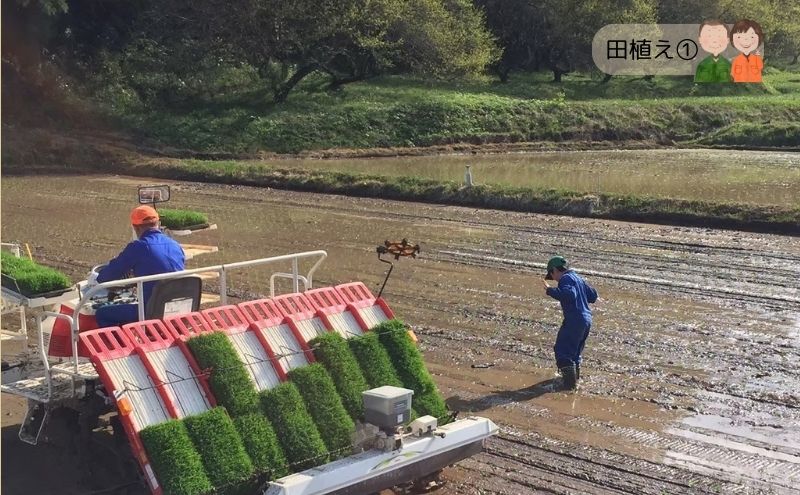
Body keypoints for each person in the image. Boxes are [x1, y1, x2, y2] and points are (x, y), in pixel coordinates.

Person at [94, 205, 185, 328]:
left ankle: (120, 341)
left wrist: (97, 277)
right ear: (158, 223)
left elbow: (107, 276)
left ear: (135, 227)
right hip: (176, 308)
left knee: (102, 313)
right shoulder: (175, 245)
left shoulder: (138, 247)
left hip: (151, 310)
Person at [542, 256, 598, 390]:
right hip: (586, 320)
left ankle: (568, 386)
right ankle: (574, 381)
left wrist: (550, 290)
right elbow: (593, 296)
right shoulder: (577, 278)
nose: (554, 279)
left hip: (575, 319)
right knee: (575, 352)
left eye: (552, 275)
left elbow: (569, 295)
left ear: (555, 270)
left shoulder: (565, 279)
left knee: (563, 350)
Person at [730, 19, 764, 83]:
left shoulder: (756, 58)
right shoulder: (736, 60)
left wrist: (758, 57)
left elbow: (760, 67)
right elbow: (732, 74)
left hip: (754, 85)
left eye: (752, 37)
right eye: (739, 37)